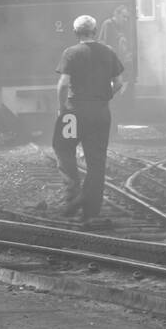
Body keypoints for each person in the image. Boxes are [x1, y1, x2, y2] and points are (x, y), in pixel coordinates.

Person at [52, 14, 124, 225]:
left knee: (63, 148)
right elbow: (119, 83)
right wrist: (105, 95)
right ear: (94, 31)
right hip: (100, 113)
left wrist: (62, 107)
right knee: (96, 160)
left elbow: (64, 84)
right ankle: (90, 208)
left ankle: (72, 195)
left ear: (76, 33)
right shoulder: (108, 52)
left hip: (73, 114)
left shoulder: (71, 53)